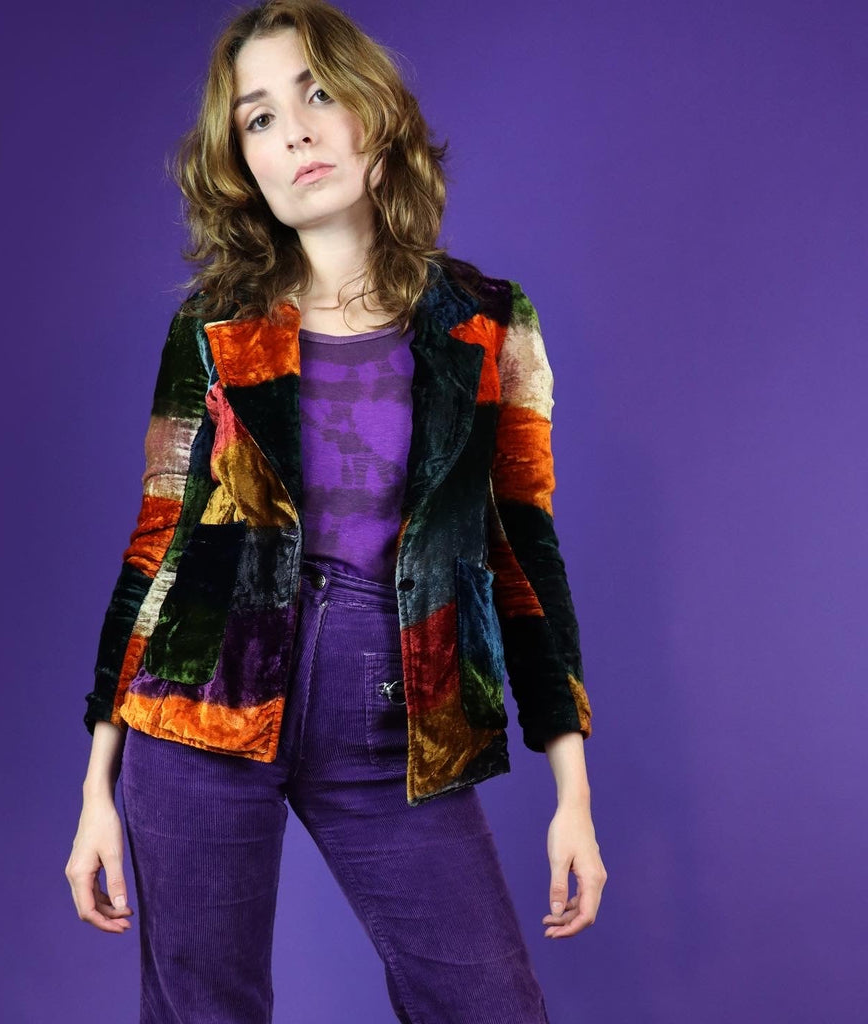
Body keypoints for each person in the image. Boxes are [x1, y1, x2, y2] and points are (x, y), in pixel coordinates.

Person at [65, 1, 606, 1021]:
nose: (296, 132)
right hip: (205, 699)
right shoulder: (213, 329)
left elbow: (524, 548)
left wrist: (572, 794)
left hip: (397, 709)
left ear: (374, 112)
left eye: (316, 93)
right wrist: (98, 783)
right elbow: (157, 543)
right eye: (259, 117)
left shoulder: (487, 323)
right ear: (244, 163)